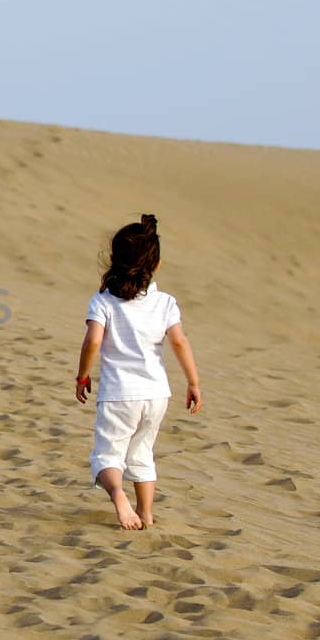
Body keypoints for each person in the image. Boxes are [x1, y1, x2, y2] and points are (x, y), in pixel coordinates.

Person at [74, 214, 202, 529]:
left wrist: (82, 376)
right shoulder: (165, 303)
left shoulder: (102, 301)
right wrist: (193, 382)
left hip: (119, 394)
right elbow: (180, 342)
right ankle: (145, 514)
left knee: (107, 456)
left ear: (115, 260)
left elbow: (93, 341)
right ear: (155, 265)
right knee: (142, 454)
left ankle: (119, 496)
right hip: (157, 395)